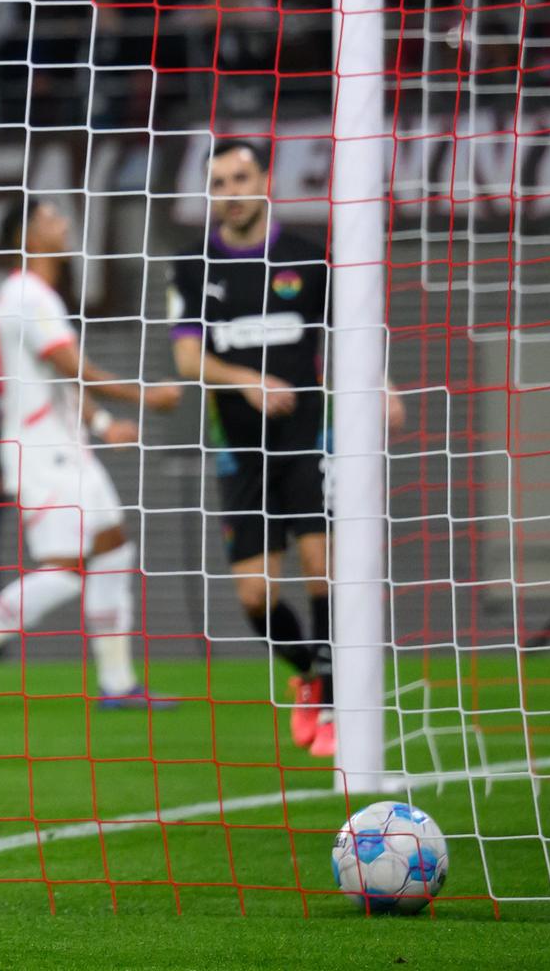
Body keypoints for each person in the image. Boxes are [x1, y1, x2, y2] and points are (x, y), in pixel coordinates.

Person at [168, 141, 404, 759]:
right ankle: (310, 674)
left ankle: (328, 699)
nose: (231, 191)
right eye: (218, 182)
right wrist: (245, 380)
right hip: (239, 449)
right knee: (255, 595)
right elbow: (188, 359)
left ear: (265, 180)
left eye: (241, 177)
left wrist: (380, 383)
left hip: (308, 439)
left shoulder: (305, 255)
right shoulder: (192, 264)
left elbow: (348, 331)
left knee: (322, 566)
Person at [0, 201, 180, 714]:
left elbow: (60, 375)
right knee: (65, 568)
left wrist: (104, 424)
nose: (65, 224)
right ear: (29, 234)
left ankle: (117, 682)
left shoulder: (38, 295)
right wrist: (146, 395)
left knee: (112, 548)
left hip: (69, 449)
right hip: (41, 454)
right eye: (52, 218)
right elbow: (74, 365)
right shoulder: (24, 294)